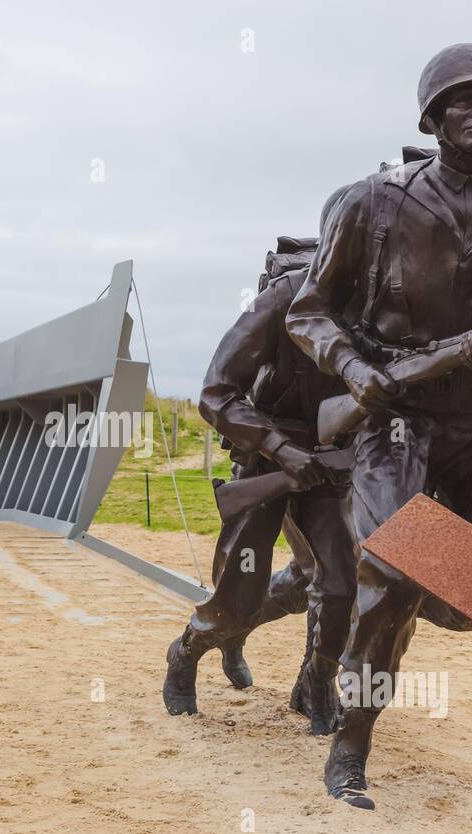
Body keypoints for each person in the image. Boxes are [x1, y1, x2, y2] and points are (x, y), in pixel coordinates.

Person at [286, 43, 472, 808]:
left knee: (467, 601)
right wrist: (356, 372)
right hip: (397, 419)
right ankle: (350, 746)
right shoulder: (373, 203)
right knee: (393, 574)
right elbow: (309, 312)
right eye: (463, 99)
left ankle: (340, 659)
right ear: (433, 115)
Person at [163, 235, 357, 735]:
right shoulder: (283, 299)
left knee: (338, 584)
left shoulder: (383, 306)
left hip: (331, 462)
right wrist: (281, 449)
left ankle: (318, 682)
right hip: (268, 460)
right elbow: (215, 393)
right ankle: (187, 650)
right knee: (238, 598)